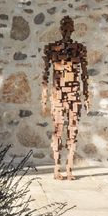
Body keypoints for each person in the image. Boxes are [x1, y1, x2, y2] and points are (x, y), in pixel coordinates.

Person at [41, 16, 90, 180]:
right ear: (61, 30)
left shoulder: (79, 49)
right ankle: (56, 168)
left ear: (73, 29)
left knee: (72, 131)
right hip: (58, 95)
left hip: (73, 94)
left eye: (70, 28)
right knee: (57, 130)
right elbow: (45, 75)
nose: (67, 31)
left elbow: (84, 75)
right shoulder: (51, 49)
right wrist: (44, 95)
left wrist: (86, 95)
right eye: (65, 28)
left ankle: (69, 168)